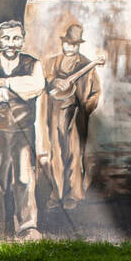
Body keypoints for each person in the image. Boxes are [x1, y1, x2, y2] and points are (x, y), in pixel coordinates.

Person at [0, 20, 45, 240]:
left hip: (23, 130)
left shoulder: (33, 64)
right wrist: (3, 93)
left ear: (23, 39)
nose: (11, 43)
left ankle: (27, 226)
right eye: (6, 38)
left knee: (24, 177)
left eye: (16, 38)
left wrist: (7, 84)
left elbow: (36, 86)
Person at [40, 23, 103, 211]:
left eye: (74, 44)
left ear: (79, 46)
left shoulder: (87, 65)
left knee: (75, 153)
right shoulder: (51, 63)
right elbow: (43, 83)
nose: (70, 47)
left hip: (77, 115)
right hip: (54, 113)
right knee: (57, 153)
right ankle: (57, 193)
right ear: (63, 43)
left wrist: (85, 108)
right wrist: (53, 81)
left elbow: (96, 93)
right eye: (68, 43)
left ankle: (74, 194)